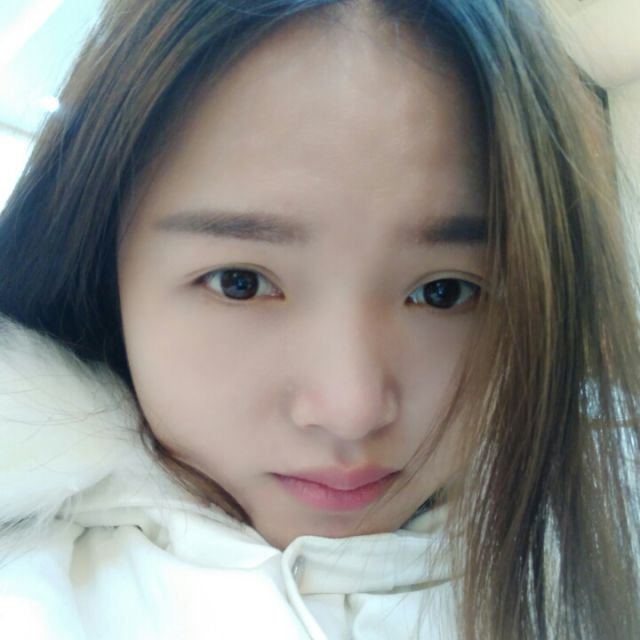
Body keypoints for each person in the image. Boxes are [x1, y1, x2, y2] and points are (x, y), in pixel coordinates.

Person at [0, 0, 638, 638]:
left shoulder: (612, 525)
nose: (351, 411)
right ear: (102, 276)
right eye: (241, 283)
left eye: (445, 292)